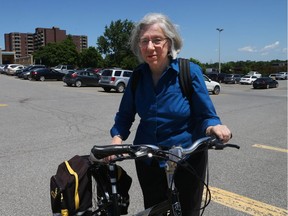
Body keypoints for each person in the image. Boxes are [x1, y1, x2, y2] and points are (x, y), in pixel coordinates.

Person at [109, 13, 232, 216]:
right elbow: (125, 116)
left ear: (170, 42)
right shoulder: (138, 77)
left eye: (157, 40)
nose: (150, 47)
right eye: (144, 41)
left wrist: (214, 127)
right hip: (148, 158)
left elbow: (206, 115)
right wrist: (117, 138)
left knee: (188, 210)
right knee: (154, 210)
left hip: (187, 158)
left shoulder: (188, 72)